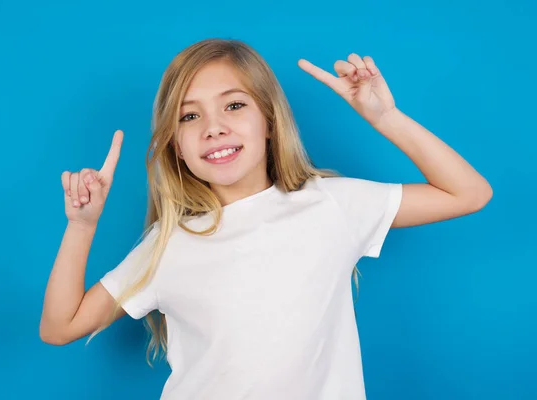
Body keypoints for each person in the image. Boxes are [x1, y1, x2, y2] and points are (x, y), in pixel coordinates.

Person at [39, 38, 492, 399]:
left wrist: (385, 117)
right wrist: (82, 226)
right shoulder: (170, 243)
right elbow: (60, 326)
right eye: (189, 116)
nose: (213, 126)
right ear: (176, 144)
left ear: (270, 120)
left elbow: (468, 193)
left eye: (234, 105)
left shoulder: (331, 205)